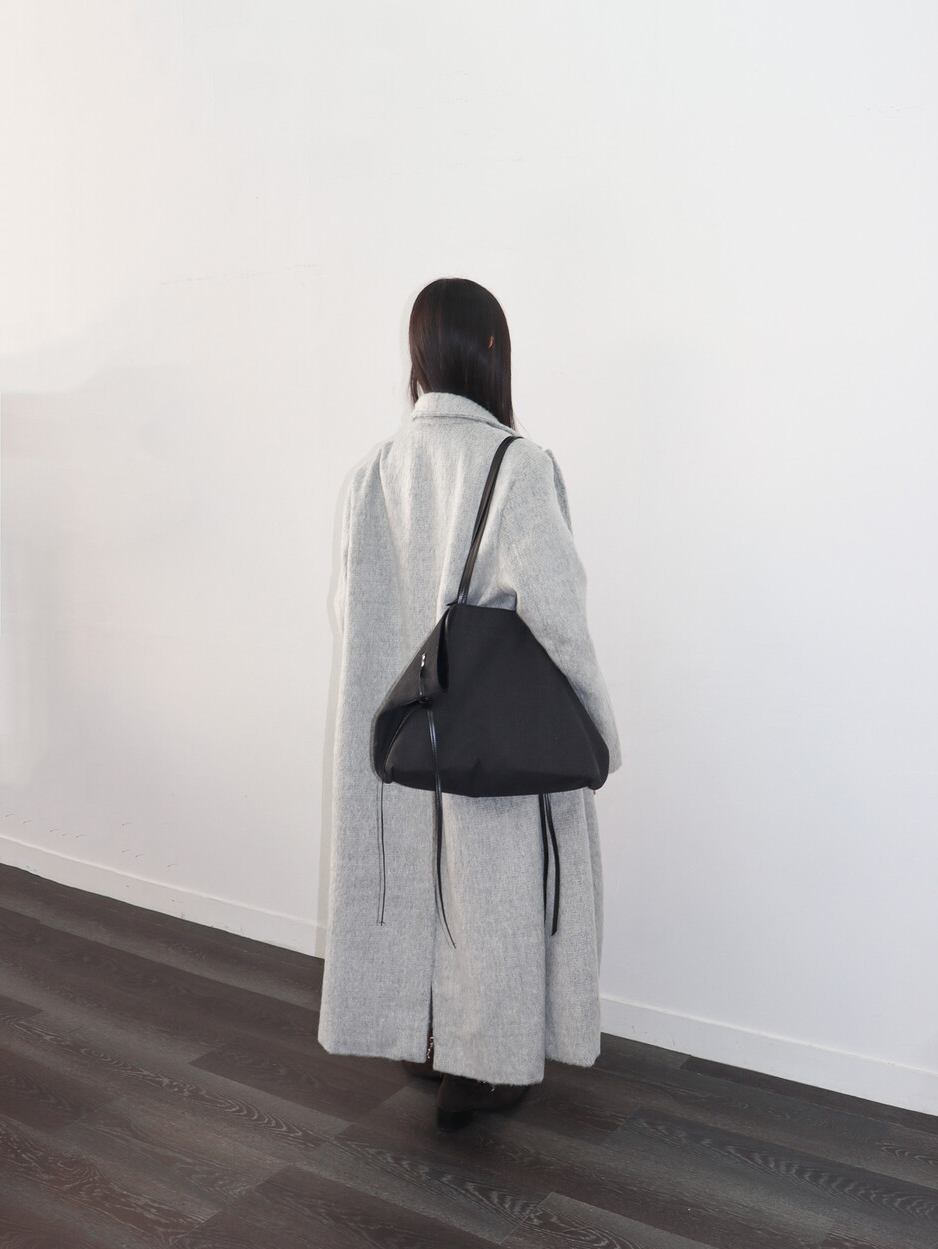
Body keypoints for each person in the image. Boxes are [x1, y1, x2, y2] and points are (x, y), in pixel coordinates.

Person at [317, 277, 622, 1131]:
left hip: (400, 729)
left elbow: (351, 609)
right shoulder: (516, 465)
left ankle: (424, 1038)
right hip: (490, 732)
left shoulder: (374, 471)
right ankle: (486, 1063)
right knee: (491, 891)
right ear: (491, 350)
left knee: (414, 872)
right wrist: (597, 729)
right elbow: (556, 614)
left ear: (418, 357)